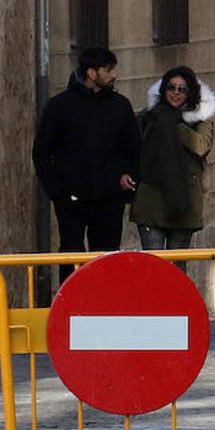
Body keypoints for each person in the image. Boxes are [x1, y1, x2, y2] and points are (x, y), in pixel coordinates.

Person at [32, 47, 140, 282]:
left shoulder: (120, 106)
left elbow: (133, 149)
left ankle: (105, 308)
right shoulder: (59, 107)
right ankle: (69, 306)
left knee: (107, 256)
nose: (114, 75)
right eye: (108, 70)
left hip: (109, 196)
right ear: (92, 72)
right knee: (70, 252)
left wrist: (127, 178)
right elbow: (41, 153)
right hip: (71, 197)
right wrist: (57, 191)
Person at [130, 66, 215, 265]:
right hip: (151, 201)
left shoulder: (199, 118)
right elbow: (134, 148)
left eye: (182, 89)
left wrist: (175, 125)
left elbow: (201, 145)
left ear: (191, 92)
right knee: (154, 265)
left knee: (177, 267)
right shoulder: (148, 117)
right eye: (171, 88)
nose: (176, 93)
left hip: (183, 201)